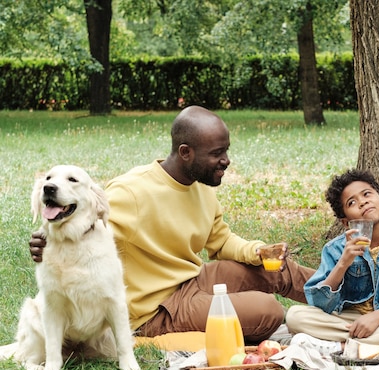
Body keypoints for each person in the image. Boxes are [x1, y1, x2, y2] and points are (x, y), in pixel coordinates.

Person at [30, 105, 315, 343]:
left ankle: (349, 301)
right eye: (217, 153)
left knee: (276, 269)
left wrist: (257, 251)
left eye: (226, 151)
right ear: (185, 152)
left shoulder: (201, 186)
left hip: (192, 281)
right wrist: (46, 243)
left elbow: (221, 240)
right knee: (268, 311)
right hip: (157, 310)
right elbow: (81, 226)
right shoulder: (131, 193)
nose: (226, 161)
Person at [285, 169, 379, 355]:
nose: (362, 202)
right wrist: (343, 263)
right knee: (295, 316)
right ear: (345, 222)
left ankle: (343, 348)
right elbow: (320, 303)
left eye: (367, 194)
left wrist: (377, 317)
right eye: (352, 202)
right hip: (351, 320)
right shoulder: (335, 249)